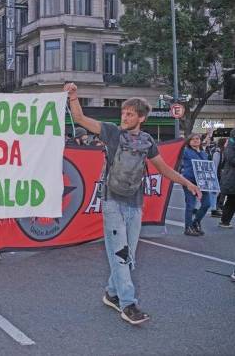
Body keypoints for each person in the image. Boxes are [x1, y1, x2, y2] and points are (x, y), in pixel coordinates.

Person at [65, 82, 201, 325]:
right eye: (123, 113)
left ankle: (112, 293)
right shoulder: (112, 133)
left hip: (135, 204)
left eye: (129, 114)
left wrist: (187, 183)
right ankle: (128, 304)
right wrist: (73, 97)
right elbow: (80, 118)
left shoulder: (148, 141)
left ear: (142, 117)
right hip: (112, 203)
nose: (124, 117)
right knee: (120, 253)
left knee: (129, 255)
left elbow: (163, 168)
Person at [180, 134, 211, 236]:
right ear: (189, 142)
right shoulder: (186, 151)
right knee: (190, 205)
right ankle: (188, 227)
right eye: (192, 139)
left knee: (206, 204)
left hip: (203, 182)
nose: (195, 141)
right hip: (190, 181)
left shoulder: (203, 153)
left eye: (197, 139)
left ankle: (196, 222)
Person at [218, 129, 235, 229]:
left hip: (231, 178)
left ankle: (225, 220)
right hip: (231, 178)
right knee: (231, 200)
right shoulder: (230, 146)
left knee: (232, 201)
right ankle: (225, 221)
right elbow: (232, 159)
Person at [211, 138, 227, 218]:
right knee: (215, 192)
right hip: (217, 175)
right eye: (227, 142)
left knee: (220, 192)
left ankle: (218, 206)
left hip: (222, 175)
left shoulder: (224, 152)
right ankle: (214, 209)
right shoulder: (217, 153)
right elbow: (215, 166)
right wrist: (215, 177)